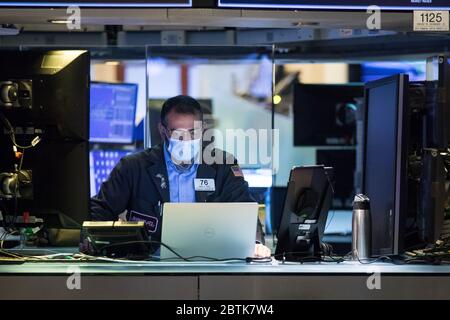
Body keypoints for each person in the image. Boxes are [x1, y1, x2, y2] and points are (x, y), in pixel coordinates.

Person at [90, 95, 271, 258]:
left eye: (193, 132)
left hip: (211, 263)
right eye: (178, 133)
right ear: (163, 131)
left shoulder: (223, 165)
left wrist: (255, 244)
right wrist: (94, 241)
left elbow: (245, 210)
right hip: (150, 266)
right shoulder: (134, 167)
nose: (186, 140)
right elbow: (100, 210)